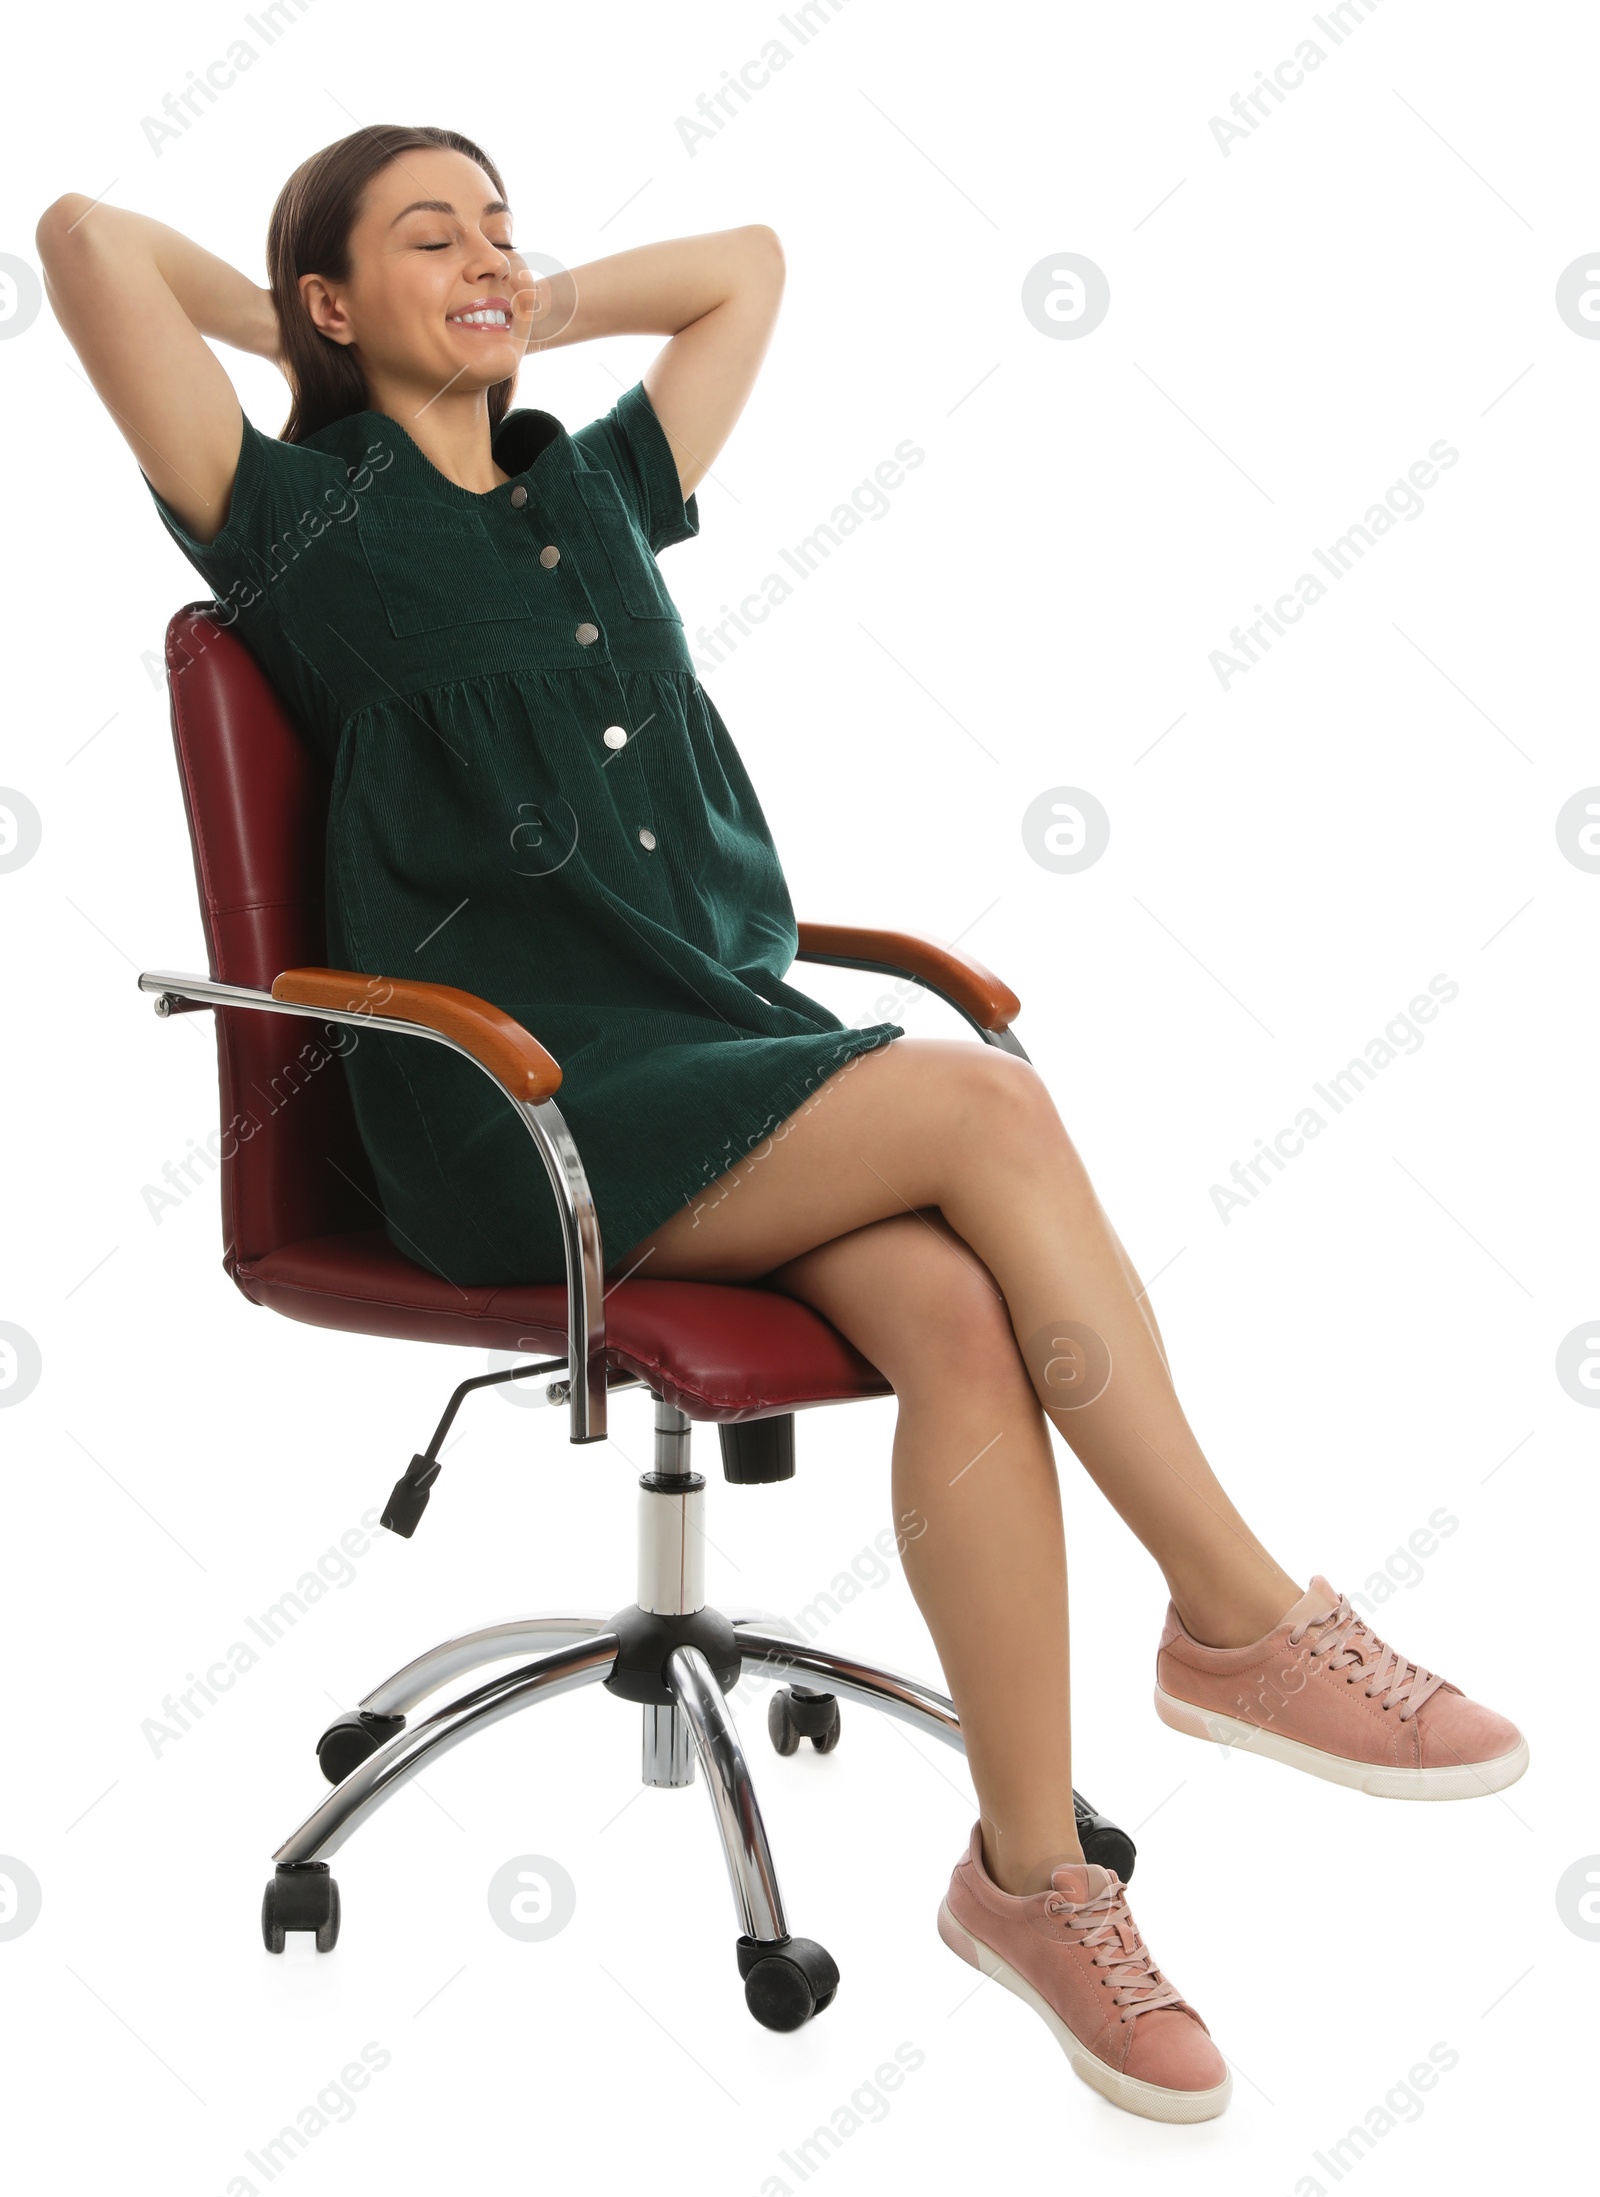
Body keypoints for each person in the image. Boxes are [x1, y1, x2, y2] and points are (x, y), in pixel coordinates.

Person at [36, 124, 1527, 2126]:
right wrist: (309, 332)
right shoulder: (295, 520)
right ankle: (1245, 1620)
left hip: (712, 1049)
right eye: (427, 235)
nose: (489, 252)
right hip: (510, 1111)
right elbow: (82, 237)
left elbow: (744, 262)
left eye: (503, 223)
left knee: (958, 1315)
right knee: (981, 1109)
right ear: (324, 298)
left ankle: (1030, 1883)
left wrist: (502, 310)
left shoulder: (590, 495)